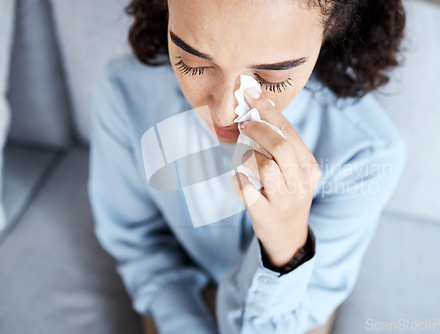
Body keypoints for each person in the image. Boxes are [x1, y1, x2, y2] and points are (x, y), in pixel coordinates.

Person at [87, 0, 407, 333]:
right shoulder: (126, 95)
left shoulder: (366, 154)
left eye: (271, 79)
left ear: (333, 30)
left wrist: (287, 250)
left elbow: (295, 316)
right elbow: (139, 245)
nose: (224, 114)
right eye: (191, 62)